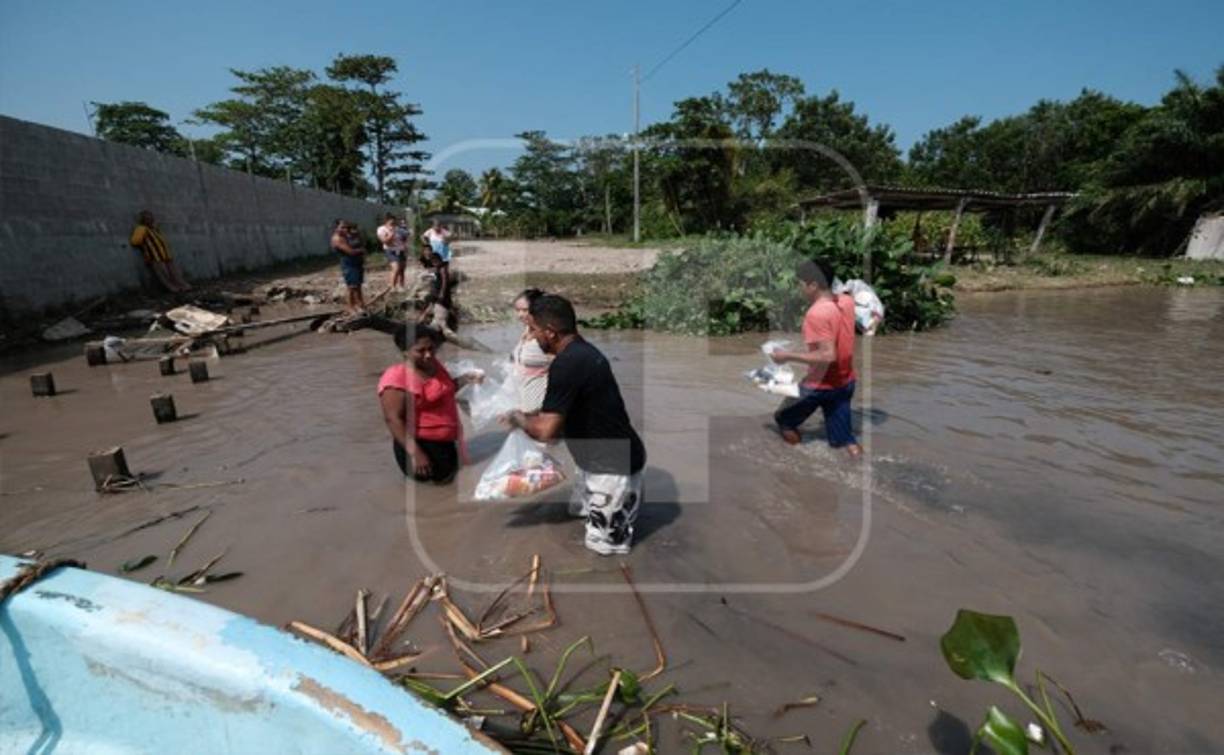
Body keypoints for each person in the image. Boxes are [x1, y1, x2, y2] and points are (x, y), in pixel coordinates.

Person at [504, 295, 646, 555]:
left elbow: (547, 432)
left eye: (535, 330)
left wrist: (518, 418)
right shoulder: (581, 352)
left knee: (605, 546)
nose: (533, 337)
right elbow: (561, 407)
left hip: (612, 467)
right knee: (583, 518)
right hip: (600, 459)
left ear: (551, 332)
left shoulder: (566, 364)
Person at [769, 259, 863, 458]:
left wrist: (786, 356)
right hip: (846, 381)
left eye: (801, 284)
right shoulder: (846, 302)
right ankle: (861, 465)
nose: (799, 288)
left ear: (813, 285)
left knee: (783, 419)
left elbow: (828, 355)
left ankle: (797, 462)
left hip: (819, 386)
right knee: (843, 440)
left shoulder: (816, 314)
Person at [378, 323, 482, 484]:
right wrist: (416, 454)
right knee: (436, 493)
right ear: (405, 351)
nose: (428, 355)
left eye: (431, 348)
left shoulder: (434, 365)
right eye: (420, 351)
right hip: (420, 444)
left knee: (449, 483)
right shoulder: (396, 379)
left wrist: (466, 379)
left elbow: (444, 389)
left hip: (445, 441)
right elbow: (393, 419)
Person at [129, 210, 191, 293]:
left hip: (165, 255)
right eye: (147, 218)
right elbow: (135, 241)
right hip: (155, 256)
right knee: (164, 274)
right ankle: (174, 289)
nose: (150, 219)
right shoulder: (141, 229)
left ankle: (183, 286)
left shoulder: (154, 229)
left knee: (174, 273)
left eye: (151, 217)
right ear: (143, 220)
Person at [510, 288, 552, 412]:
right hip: (524, 396)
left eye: (525, 310)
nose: (520, 315)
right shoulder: (527, 330)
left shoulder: (546, 334)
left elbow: (560, 361)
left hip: (541, 400)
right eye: (517, 310)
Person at [331, 220, 366, 313]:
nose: (345, 229)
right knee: (351, 287)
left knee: (358, 286)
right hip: (349, 265)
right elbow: (350, 251)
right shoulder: (337, 239)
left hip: (356, 263)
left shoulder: (346, 236)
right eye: (342, 227)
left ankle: (361, 305)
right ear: (336, 228)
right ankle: (351, 307)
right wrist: (361, 250)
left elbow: (358, 242)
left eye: (346, 227)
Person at [376, 213, 408, 290]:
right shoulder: (381, 229)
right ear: (386, 221)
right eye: (391, 222)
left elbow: (404, 237)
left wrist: (406, 233)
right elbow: (385, 241)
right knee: (396, 268)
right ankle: (392, 286)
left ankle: (401, 286)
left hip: (400, 250)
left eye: (394, 222)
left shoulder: (397, 228)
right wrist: (392, 233)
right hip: (390, 250)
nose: (393, 223)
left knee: (402, 269)